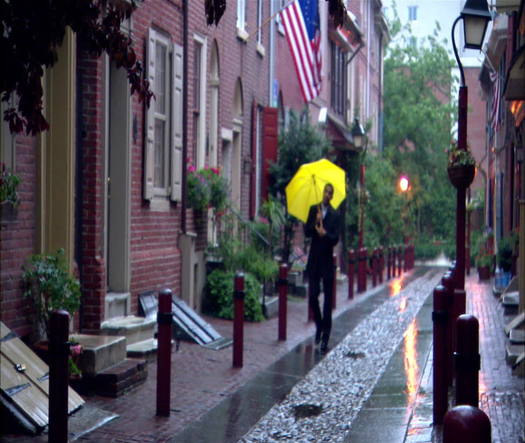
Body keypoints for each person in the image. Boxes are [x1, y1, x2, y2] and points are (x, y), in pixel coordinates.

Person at [304, 182, 340, 352]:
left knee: (327, 302)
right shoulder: (314, 209)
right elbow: (306, 231)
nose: (327, 194)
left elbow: (335, 239)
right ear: (322, 193)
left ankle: (326, 336)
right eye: (325, 191)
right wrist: (315, 223)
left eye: (330, 192)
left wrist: (325, 234)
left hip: (327, 262)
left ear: (332, 196)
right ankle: (319, 325)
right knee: (312, 296)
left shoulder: (334, 214)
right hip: (314, 260)